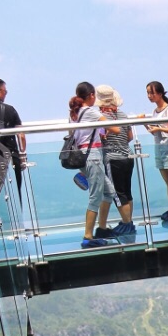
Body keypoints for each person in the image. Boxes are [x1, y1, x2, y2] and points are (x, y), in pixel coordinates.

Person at [72, 81, 123, 248]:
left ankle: (101, 228)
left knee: (109, 192)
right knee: (95, 197)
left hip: (83, 156)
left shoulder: (74, 113)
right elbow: (116, 129)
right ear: (91, 96)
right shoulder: (90, 112)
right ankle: (88, 236)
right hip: (92, 157)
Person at [140, 82, 168, 223]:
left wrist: (159, 129)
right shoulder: (155, 112)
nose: (149, 96)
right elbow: (154, 131)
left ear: (160, 94)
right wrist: (144, 122)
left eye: (152, 93)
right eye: (148, 93)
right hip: (160, 148)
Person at [97, 86, 137, 235]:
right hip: (128, 156)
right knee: (127, 192)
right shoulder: (122, 114)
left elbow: (101, 137)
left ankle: (127, 225)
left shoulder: (101, 117)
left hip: (113, 159)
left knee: (118, 194)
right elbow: (130, 137)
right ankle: (128, 222)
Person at [0, 79, 25, 198]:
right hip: (11, 156)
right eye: (5, 91)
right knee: (16, 192)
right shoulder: (10, 110)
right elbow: (21, 135)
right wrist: (23, 156)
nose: (6, 94)